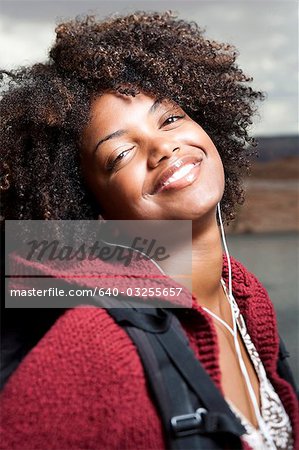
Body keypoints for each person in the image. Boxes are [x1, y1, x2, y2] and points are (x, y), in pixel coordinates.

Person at [0, 11, 298, 450]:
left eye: (171, 119)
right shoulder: (97, 348)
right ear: (91, 209)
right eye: (120, 154)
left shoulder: (243, 298)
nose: (162, 147)